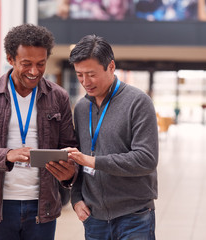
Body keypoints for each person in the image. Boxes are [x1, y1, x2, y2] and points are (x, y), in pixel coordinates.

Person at [0, 24, 78, 240]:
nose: (34, 71)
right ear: (10, 59)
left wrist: (70, 173)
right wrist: (5, 155)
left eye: (40, 64)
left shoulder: (58, 97)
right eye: (26, 64)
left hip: (43, 207)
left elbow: (70, 149)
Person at [68, 34, 159, 239]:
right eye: (79, 75)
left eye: (91, 74)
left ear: (110, 66)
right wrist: (76, 198)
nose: (85, 82)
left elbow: (146, 159)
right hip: (94, 217)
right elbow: (79, 160)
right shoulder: (82, 108)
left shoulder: (138, 102)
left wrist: (94, 161)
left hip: (134, 216)